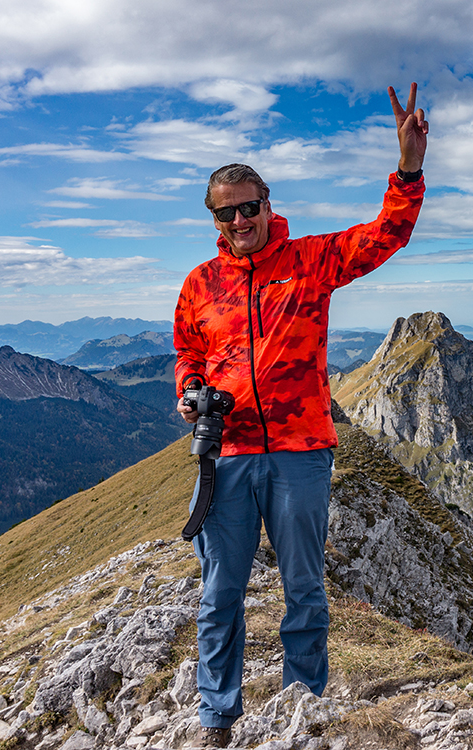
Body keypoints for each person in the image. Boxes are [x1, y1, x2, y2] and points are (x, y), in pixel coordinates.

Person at [173, 84, 428, 748]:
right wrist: (189, 390)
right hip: (226, 455)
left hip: (300, 452)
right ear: (215, 219)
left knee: (305, 592)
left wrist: (407, 171)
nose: (239, 222)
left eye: (249, 208)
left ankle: (302, 708)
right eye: (226, 214)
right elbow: (189, 350)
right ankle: (216, 718)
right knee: (219, 595)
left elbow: (383, 237)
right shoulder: (199, 284)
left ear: (267, 206)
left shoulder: (309, 262)